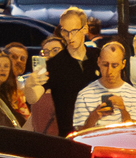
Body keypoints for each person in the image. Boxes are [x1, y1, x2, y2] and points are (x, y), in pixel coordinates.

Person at [73, 39, 136, 129]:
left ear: (123, 64)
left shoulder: (135, 96)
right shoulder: (84, 95)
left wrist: (123, 110)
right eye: (105, 65)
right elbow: (79, 136)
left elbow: (134, 132)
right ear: (98, 62)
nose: (109, 71)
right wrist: (93, 117)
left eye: (114, 66)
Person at [39, 7, 97, 137]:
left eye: (74, 31)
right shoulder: (53, 65)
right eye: (65, 32)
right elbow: (36, 97)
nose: (70, 36)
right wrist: (32, 85)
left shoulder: (99, 58)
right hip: (69, 136)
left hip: (101, 132)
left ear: (85, 29)